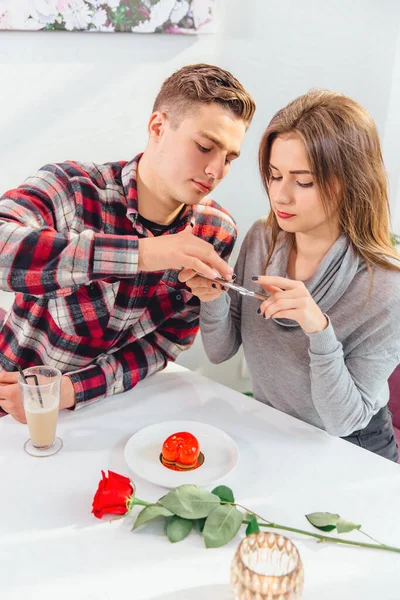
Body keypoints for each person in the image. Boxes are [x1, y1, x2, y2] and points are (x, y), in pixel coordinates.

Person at [0, 63, 256, 423]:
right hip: (12, 400)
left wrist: (74, 390)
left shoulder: (216, 232)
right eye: (204, 146)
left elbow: (168, 340)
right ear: (158, 127)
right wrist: (143, 254)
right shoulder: (73, 188)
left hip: (112, 412)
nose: (215, 170)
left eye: (229, 158)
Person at [182, 89, 400, 461]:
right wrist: (213, 297)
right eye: (274, 175)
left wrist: (319, 328)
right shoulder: (261, 239)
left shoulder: (385, 288)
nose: (280, 196)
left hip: (354, 446)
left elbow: (343, 420)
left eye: (303, 182)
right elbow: (220, 352)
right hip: (276, 426)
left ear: (352, 181)